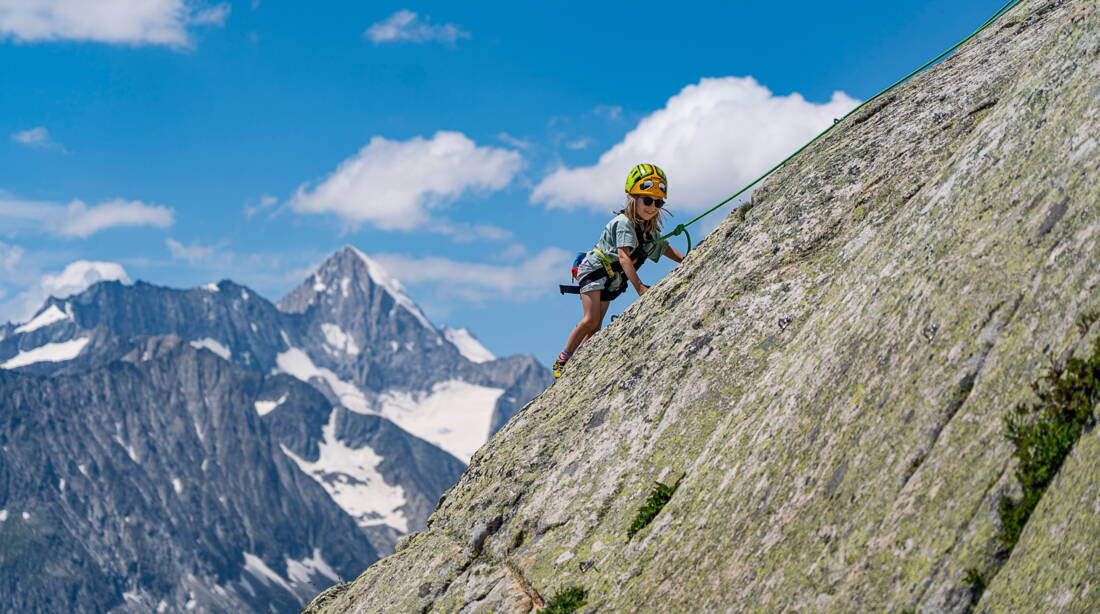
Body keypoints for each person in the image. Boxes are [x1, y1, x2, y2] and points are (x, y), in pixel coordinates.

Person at [552, 163, 685, 378]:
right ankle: (562, 359)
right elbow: (623, 256)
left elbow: (663, 248)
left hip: (610, 277)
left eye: (658, 202)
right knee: (591, 319)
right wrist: (639, 287)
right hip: (594, 270)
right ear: (633, 199)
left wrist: (685, 260)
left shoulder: (647, 229)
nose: (652, 206)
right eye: (647, 200)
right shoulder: (623, 224)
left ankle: (577, 364)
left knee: (596, 329)